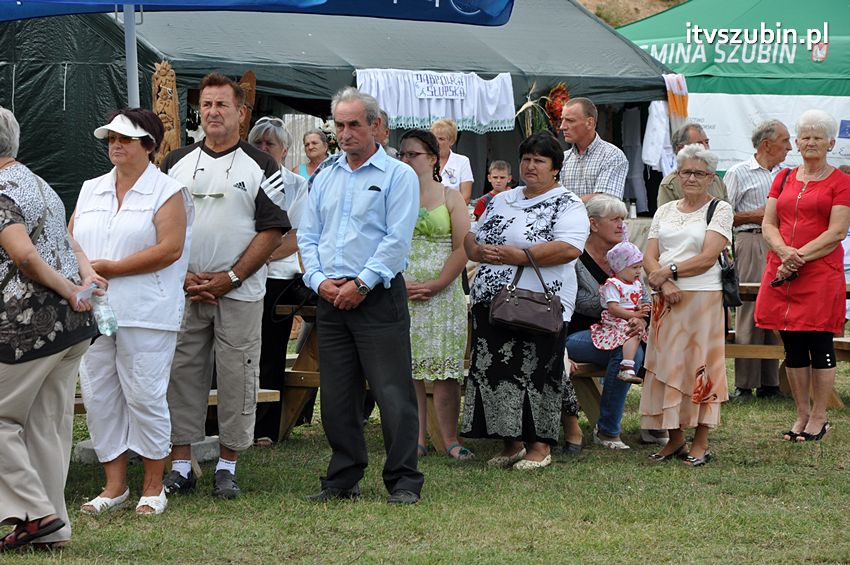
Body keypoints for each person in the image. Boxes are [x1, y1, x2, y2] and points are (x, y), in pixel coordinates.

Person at [159, 73, 289, 499]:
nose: (213, 113)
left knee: (238, 376)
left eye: (222, 105)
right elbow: (159, 225)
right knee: (182, 374)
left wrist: (230, 277)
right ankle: (181, 465)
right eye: (207, 105)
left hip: (240, 292)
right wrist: (184, 275)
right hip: (185, 290)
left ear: (240, 112)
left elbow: (272, 231)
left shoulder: (264, 165)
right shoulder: (174, 162)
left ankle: (228, 466)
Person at [298, 87, 424, 504]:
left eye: (355, 124)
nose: (346, 133)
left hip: (378, 295)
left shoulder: (398, 175)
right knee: (336, 396)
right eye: (340, 125)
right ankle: (342, 478)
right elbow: (308, 234)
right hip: (331, 296)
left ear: (375, 126)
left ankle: (404, 480)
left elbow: (396, 240)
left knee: (392, 394)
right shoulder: (326, 174)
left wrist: (363, 284)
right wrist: (318, 281)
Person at [71, 109, 192, 516]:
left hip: (147, 311)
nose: (116, 145)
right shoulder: (90, 189)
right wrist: (86, 273)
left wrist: (110, 268)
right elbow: (71, 241)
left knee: (144, 394)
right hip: (94, 310)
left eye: (125, 138)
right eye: (111, 139)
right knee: (99, 395)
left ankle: (154, 487)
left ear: (149, 146)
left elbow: (169, 249)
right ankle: (114, 487)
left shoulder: (168, 191)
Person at [0, 106, 101, 550]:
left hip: (29, 327)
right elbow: (67, 238)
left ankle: (35, 513)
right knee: (46, 425)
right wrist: (82, 280)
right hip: (72, 330)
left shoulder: (1, 190)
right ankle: (52, 527)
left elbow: (24, 255)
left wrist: (69, 287)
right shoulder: (36, 182)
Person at [461, 131, 589, 470]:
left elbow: (568, 248)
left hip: (538, 302)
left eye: (539, 161)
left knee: (537, 372)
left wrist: (518, 255)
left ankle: (539, 446)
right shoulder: (503, 199)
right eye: (526, 159)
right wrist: (475, 250)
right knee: (497, 371)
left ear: (555, 168)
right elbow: (473, 235)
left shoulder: (568, 203)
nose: (530, 166)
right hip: (493, 299)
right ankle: (511, 443)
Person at [755, 110, 850, 442]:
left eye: (818, 137)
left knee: (819, 342)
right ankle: (801, 415)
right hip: (782, 270)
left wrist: (797, 257)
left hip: (819, 273)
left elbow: (837, 232)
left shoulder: (841, 182)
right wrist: (784, 253)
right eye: (805, 137)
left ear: (830, 143)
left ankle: (820, 417)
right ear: (796, 143)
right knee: (792, 345)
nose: (811, 142)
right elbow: (769, 223)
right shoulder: (782, 179)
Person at [641, 143, 733, 466]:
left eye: (699, 172)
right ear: (677, 175)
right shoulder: (664, 211)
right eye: (685, 172)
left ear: (710, 177)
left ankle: (701, 442)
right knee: (668, 368)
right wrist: (664, 282)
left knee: (702, 368)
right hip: (665, 300)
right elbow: (648, 256)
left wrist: (672, 271)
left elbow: (709, 256)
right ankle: (675, 440)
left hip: (703, 297)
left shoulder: (720, 209)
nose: (691, 177)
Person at [397, 129, 471, 460]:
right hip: (403, 290)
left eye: (412, 154)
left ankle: (450, 439)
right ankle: (415, 440)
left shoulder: (451, 197)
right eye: (402, 155)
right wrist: (401, 284)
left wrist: (439, 283)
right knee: (409, 369)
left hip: (444, 294)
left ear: (431, 158)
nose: (406, 160)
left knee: (446, 372)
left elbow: (463, 247)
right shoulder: (395, 196)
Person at [567, 195, 662, 450]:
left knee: (652, 348)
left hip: (626, 329)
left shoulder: (626, 253)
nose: (622, 225)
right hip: (579, 336)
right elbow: (575, 302)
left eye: (623, 218)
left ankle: (653, 424)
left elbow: (642, 295)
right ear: (593, 224)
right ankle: (608, 430)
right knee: (630, 353)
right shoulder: (574, 257)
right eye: (615, 219)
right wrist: (615, 303)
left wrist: (639, 318)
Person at [247, 116, 309, 446]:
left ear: (284, 150)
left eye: (270, 143)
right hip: (237, 277)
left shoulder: (296, 184)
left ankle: (265, 428)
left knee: (270, 351)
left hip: (276, 276)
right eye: (258, 142)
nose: (263, 148)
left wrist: (255, 258)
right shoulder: (239, 177)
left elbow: (297, 235)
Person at [725, 119, 791, 399]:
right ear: (767, 144)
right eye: (785, 140)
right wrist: (760, 215)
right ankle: (744, 383)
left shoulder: (788, 174)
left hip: (781, 245)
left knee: (775, 307)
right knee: (751, 308)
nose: (790, 146)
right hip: (751, 241)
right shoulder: (739, 172)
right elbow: (723, 214)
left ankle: (770, 382)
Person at [589, 241, 649, 384]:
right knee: (631, 332)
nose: (638, 271)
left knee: (640, 331)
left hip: (630, 318)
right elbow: (613, 308)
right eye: (634, 267)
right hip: (615, 321)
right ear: (619, 267)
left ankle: (633, 368)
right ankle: (626, 366)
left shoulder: (636, 284)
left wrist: (640, 310)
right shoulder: (613, 284)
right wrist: (634, 316)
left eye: (640, 267)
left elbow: (637, 302)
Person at [558, 97, 628, 203]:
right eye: (562, 120)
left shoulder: (613, 155)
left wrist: (564, 204)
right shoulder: (562, 158)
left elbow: (605, 200)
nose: (562, 126)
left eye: (570, 120)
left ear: (589, 123)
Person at [656, 123, 728, 207]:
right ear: (680, 148)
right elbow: (665, 217)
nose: (705, 147)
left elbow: (730, 215)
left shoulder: (716, 180)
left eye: (707, 142)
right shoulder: (670, 185)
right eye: (699, 144)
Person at [431, 117, 474, 204]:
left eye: (441, 139)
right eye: (434, 138)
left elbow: (465, 197)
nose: (436, 142)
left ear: (451, 141)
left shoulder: (462, 161)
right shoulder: (424, 160)